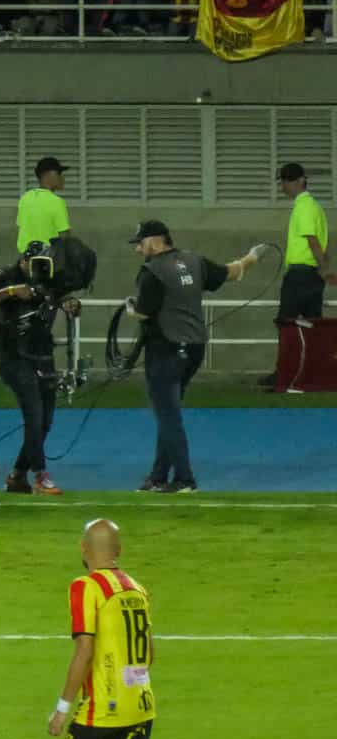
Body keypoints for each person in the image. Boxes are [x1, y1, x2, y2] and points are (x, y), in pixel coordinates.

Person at [125, 221, 270, 492]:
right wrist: (252, 256)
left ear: (155, 241)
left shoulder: (151, 271)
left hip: (166, 349)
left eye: (140, 243)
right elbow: (233, 272)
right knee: (169, 412)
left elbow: (144, 312)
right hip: (194, 348)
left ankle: (184, 479)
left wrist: (130, 309)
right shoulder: (195, 262)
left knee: (168, 416)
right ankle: (158, 477)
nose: (138, 250)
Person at [47, 519, 156, 739]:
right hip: (142, 709)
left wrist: (62, 709)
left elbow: (85, 651)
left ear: (83, 548)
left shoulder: (86, 587)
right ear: (119, 551)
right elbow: (149, 655)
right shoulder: (138, 590)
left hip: (103, 713)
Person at [0, 241, 71, 495]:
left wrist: (70, 303)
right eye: (32, 263)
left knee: (44, 421)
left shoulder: (50, 278)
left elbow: (60, 298)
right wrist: (11, 291)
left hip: (42, 354)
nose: (37, 269)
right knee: (33, 415)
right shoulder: (6, 275)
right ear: (23, 260)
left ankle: (17, 475)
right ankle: (40, 475)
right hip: (14, 355)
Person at [276, 162, 331, 323]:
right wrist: (323, 269)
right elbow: (323, 243)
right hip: (313, 276)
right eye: (282, 182)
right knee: (312, 326)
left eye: (286, 182)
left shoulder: (304, 207)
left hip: (300, 276)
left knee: (286, 325)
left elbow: (312, 240)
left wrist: (324, 270)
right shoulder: (315, 207)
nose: (283, 187)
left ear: (300, 181)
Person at [17, 155, 72, 251]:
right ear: (47, 175)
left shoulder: (25, 198)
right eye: (59, 173)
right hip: (49, 257)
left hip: (26, 257)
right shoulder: (57, 202)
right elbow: (65, 238)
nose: (63, 177)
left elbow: (22, 227)